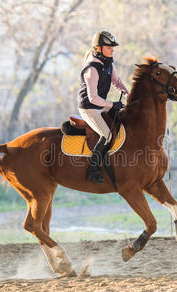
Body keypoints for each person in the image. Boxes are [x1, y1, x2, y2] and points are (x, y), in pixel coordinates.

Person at [78, 30, 129, 184]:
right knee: (106, 135)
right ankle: (93, 169)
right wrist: (113, 104)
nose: (112, 50)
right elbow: (93, 98)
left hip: (100, 105)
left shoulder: (108, 63)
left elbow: (117, 82)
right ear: (98, 48)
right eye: (109, 47)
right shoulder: (91, 69)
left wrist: (128, 94)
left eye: (113, 47)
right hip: (89, 107)